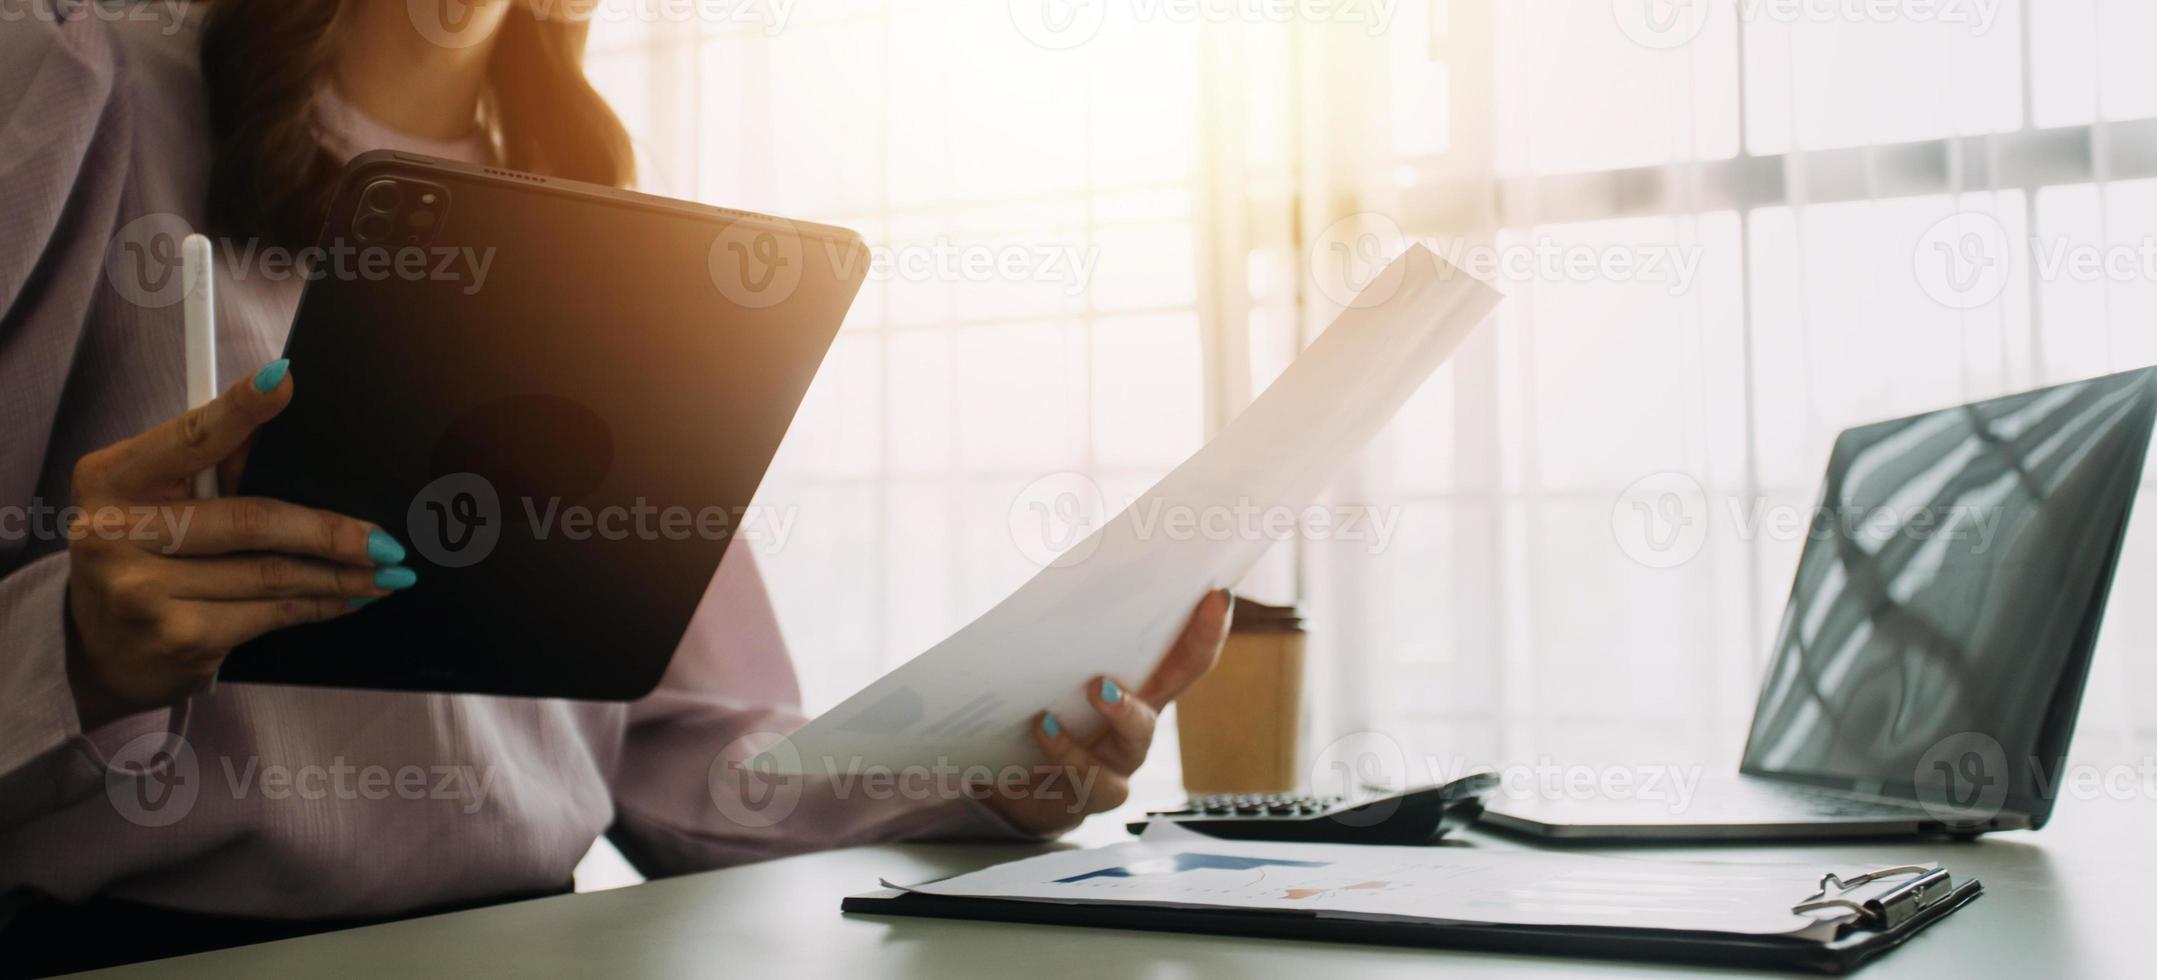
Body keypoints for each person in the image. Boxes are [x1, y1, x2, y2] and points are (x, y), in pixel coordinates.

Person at [0, 2, 1231, 972]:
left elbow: (677, 747)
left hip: (541, 949)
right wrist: (77, 648)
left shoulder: (620, 231)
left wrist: (987, 763)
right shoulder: (77, 85)